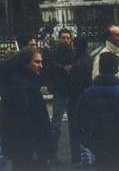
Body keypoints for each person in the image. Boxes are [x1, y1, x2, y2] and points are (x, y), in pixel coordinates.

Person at [77, 51, 119, 169]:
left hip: (99, 146)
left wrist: (91, 144)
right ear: (116, 70)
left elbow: (80, 122)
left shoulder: (87, 94)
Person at [0, 47, 53, 170]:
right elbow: (26, 121)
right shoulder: (21, 86)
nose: (41, 65)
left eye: (41, 62)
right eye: (37, 62)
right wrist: (36, 148)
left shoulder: (23, 82)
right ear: (26, 64)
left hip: (25, 147)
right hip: (29, 148)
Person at [47, 27, 75, 163]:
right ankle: (52, 155)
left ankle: (77, 156)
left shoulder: (73, 53)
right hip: (60, 92)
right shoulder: (54, 53)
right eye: (63, 38)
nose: (65, 40)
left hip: (71, 92)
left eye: (67, 38)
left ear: (71, 39)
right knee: (56, 125)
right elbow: (51, 68)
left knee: (74, 124)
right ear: (59, 39)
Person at [67, 36, 93, 168]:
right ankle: (87, 157)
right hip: (86, 97)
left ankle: (84, 158)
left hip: (77, 99)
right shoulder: (87, 59)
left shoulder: (77, 65)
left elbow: (74, 86)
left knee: (78, 129)